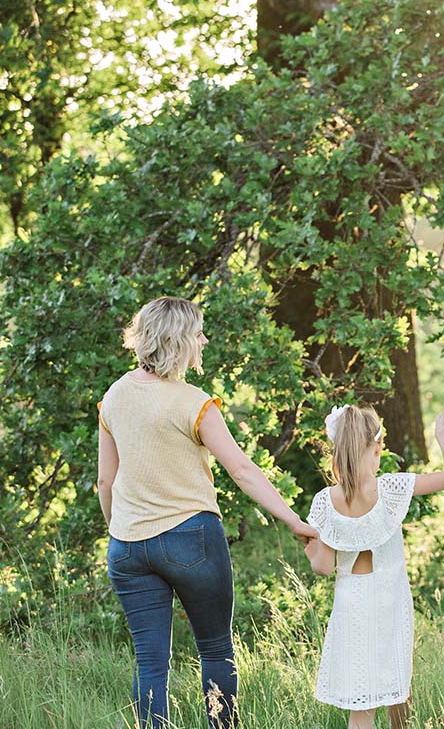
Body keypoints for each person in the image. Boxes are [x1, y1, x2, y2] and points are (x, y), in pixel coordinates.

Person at [97, 296, 317, 729]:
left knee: (150, 663)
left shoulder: (114, 397)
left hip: (128, 546)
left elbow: (106, 482)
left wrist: (119, 533)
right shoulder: (193, 402)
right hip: (191, 538)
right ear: (178, 340)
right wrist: (292, 519)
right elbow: (241, 469)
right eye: (198, 333)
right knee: (215, 649)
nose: (204, 340)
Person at [304, 407, 444, 729]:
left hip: (351, 606)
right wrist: (440, 435)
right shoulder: (390, 489)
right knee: (397, 683)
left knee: (362, 708)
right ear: (377, 448)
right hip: (390, 602)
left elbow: (322, 567)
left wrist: (311, 548)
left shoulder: (325, 502)